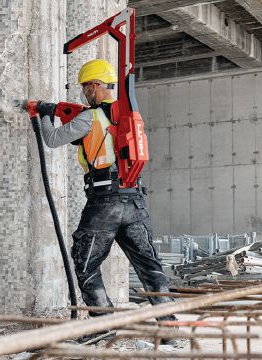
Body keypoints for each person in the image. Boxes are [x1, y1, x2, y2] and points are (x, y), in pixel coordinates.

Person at [34, 59, 176, 322]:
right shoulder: (128, 116)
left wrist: (44, 113)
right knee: (150, 266)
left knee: (86, 264)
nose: (85, 93)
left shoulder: (90, 116)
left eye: (87, 87)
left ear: (97, 85)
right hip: (134, 201)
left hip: (104, 202)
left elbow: (53, 139)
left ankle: (104, 324)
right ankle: (169, 327)